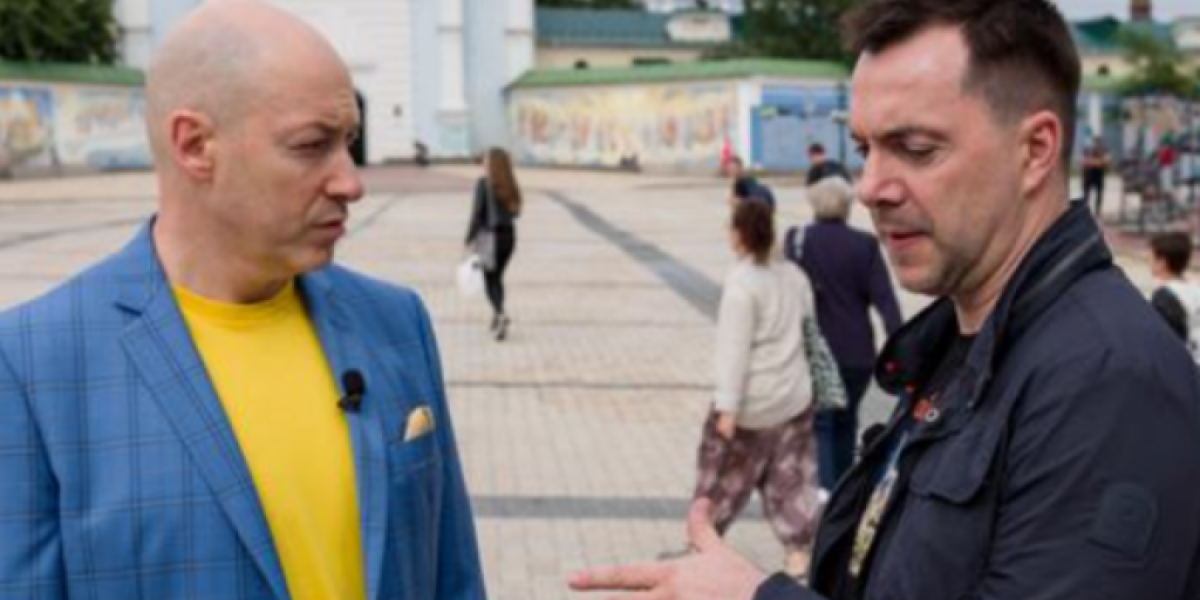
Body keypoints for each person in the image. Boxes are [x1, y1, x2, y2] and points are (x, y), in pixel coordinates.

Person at [570, 1, 1200, 599]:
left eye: (916, 149)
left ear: (1035, 150)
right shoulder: (961, 345)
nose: (870, 187)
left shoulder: (1110, 381)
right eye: (864, 149)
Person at [0, 2, 486, 600]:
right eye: (312, 145)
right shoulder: (29, 365)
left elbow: (453, 578)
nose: (352, 181)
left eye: (350, 142)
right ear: (195, 145)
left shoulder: (396, 322)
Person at [690, 198, 821, 578]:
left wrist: (727, 408)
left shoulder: (741, 284)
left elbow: (734, 349)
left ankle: (704, 543)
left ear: (739, 234)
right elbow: (811, 334)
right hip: (793, 396)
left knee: (722, 481)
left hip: (752, 403)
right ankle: (798, 552)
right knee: (791, 479)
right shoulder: (794, 275)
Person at [785, 177, 902, 493]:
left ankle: (826, 494)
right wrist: (901, 347)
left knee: (823, 422)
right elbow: (885, 301)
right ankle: (844, 491)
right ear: (847, 206)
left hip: (815, 352)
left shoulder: (798, 241)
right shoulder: (865, 245)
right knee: (847, 420)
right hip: (858, 353)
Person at [464, 147, 522, 341]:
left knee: (490, 280)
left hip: (489, 237)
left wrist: (468, 239)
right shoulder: (510, 183)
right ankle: (497, 316)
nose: (483, 162)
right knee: (497, 278)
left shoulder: (483, 183)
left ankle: (500, 313)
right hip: (509, 237)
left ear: (492, 163)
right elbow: (516, 213)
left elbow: (477, 215)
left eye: (486, 159)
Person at [1149, 231, 1200, 362]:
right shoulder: (1196, 289)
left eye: (1152, 257)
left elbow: (1163, 343)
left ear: (1162, 262)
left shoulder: (1164, 297)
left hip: (1186, 365)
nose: (1150, 261)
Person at [1081, 135, 1110, 216]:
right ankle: (1085, 212)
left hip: (1098, 176)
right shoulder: (1088, 150)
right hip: (1089, 176)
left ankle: (1097, 212)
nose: (1097, 144)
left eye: (1099, 142)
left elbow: (1107, 161)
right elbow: (1084, 162)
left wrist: (1093, 162)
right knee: (1086, 195)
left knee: (1099, 195)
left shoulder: (1104, 150)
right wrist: (1099, 162)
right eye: (1096, 142)